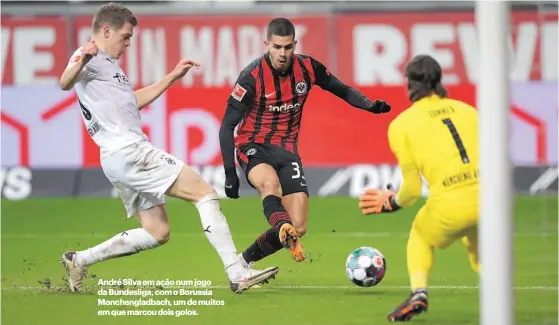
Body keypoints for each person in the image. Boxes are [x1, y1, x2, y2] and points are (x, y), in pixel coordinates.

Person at [58, 2, 278, 294]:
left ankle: (80, 259)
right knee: (205, 195)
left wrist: (172, 77)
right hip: (130, 152)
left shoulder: (109, 67)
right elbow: (64, 81)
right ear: (106, 30)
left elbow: (133, 101)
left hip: (115, 157)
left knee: (157, 231)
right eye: (125, 37)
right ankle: (237, 272)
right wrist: (81, 60)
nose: (128, 43)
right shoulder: (90, 54)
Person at [219, 18, 391, 266]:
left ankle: (241, 263)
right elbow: (226, 126)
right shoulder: (251, 77)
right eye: (277, 47)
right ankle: (280, 228)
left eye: (287, 47)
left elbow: (341, 89)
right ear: (267, 44)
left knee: (298, 225)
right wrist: (229, 174)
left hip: (287, 151)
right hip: (253, 146)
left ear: (295, 45)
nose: (282, 53)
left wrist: (369, 105)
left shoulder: (307, 68)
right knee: (270, 186)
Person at [358, 54, 480, 321]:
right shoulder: (469, 111)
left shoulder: (402, 125)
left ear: (409, 84)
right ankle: (501, 298)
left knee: (421, 235)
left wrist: (390, 203)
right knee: (481, 253)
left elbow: (412, 191)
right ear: (439, 81)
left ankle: (419, 293)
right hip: (489, 200)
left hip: (450, 205)